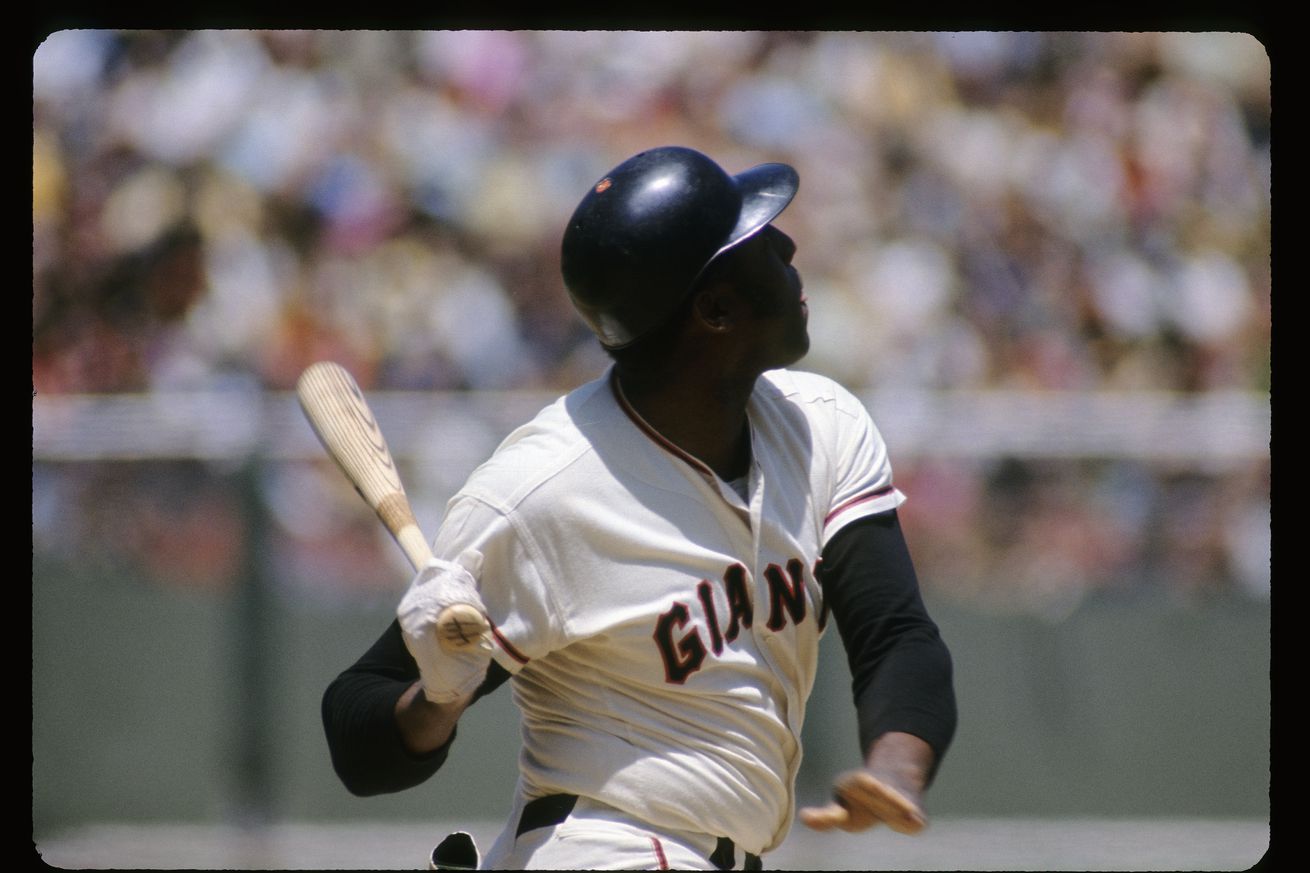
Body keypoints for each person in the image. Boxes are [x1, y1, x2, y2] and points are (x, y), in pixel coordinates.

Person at [321, 145, 957, 870]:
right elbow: (358, 734)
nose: (786, 244)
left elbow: (897, 632)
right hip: (603, 843)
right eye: (757, 242)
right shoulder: (542, 490)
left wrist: (895, 767)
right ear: (715, 310)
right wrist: (435, 699)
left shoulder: (819, 425)